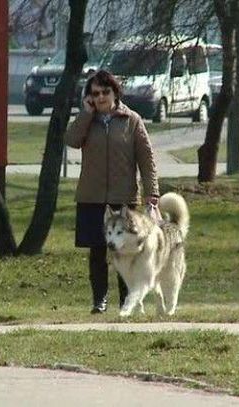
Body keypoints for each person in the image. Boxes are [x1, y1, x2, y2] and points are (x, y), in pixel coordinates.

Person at [65, 70, 160, 314]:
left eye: (105, 92)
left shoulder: (131, 120)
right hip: (92, 196)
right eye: (95, 93)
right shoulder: (87, 120)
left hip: (123, 198)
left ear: (115, 93)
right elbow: (72, 140)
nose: (100, 98)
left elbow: (147, 159)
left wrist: (152, 194)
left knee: (126, 253)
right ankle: (99, 301)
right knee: (97, 252)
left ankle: (126, 301)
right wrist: (86, 114)